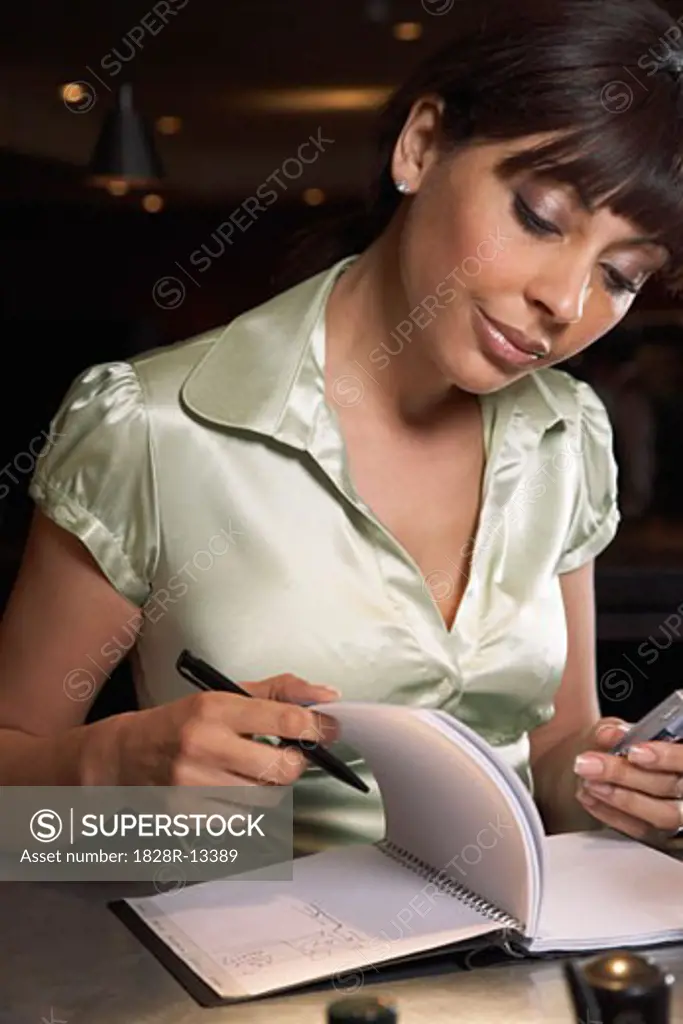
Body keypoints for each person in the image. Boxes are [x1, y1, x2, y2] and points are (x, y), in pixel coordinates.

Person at [2, 0, 683, 855]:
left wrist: (621, 785)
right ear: (421, 144)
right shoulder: (149, 426)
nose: (566, 302)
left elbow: (550, 755)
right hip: (236, 972)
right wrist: (107, 769)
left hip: (513, 977)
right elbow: (11, 812)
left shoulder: (568, 436)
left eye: (620, 276)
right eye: (540, 217)